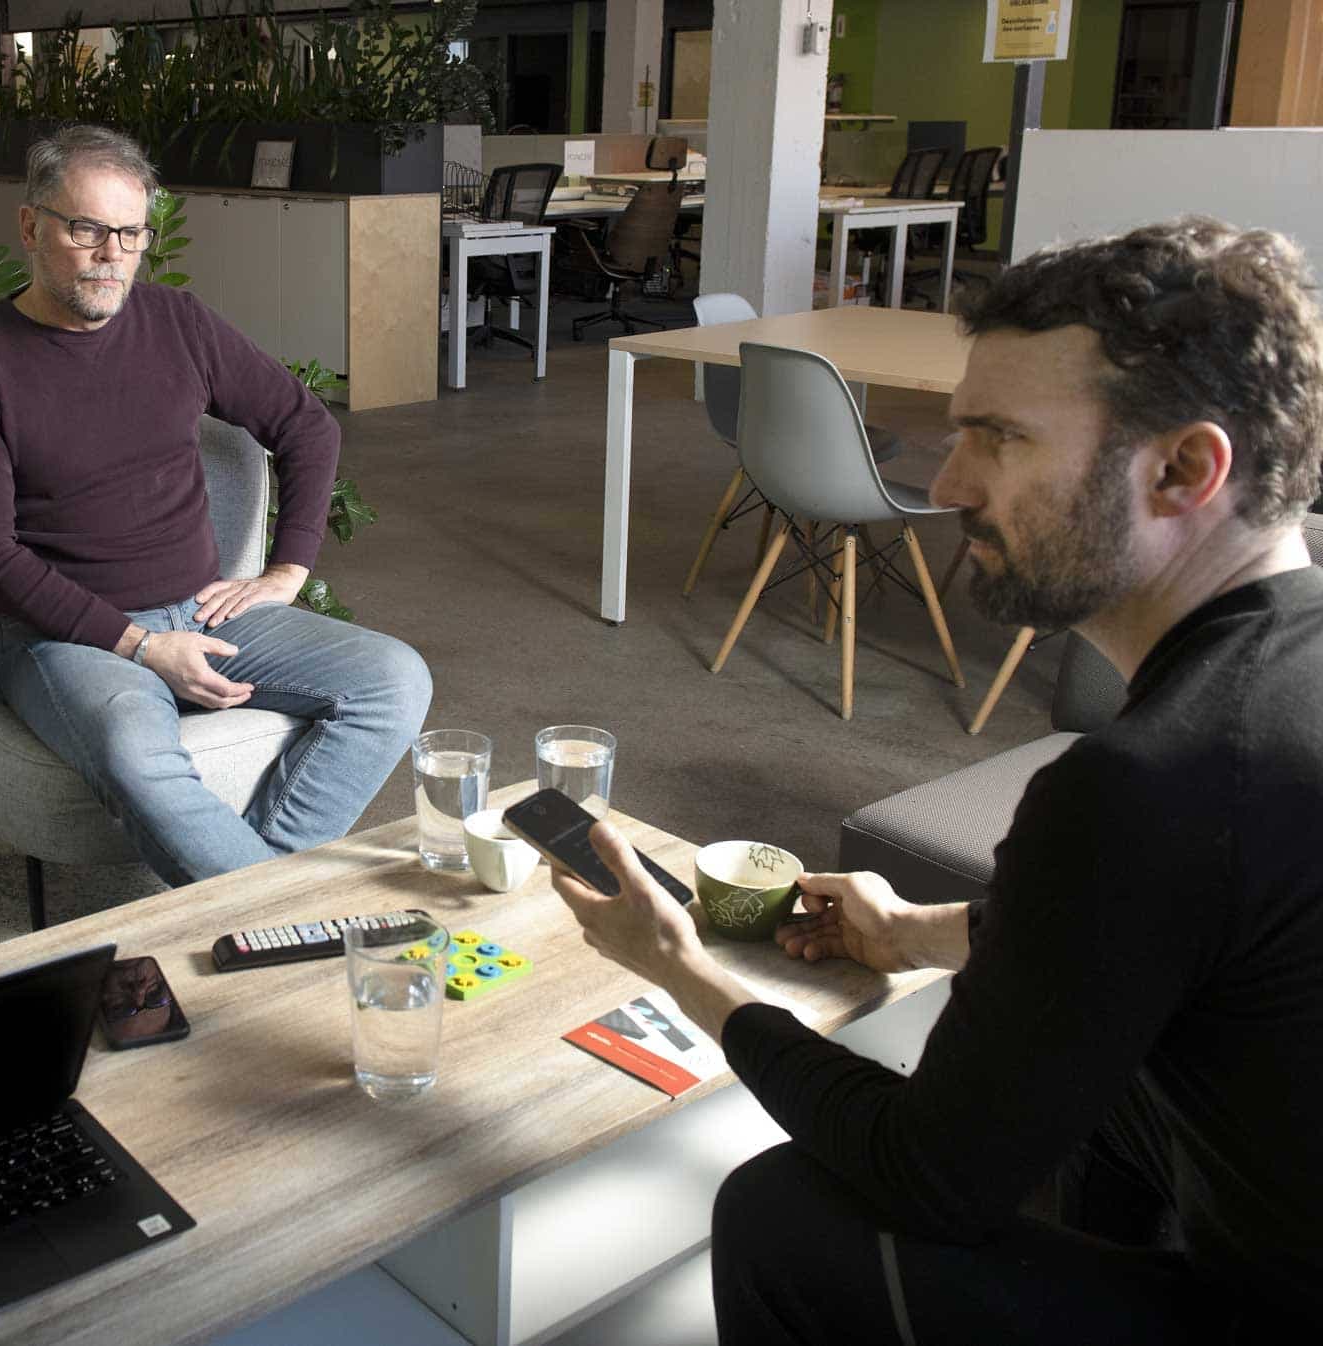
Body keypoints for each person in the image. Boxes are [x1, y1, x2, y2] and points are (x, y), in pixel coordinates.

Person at [555, 217, 1323, 1342]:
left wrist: (680, 969)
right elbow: (1169, 929)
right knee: (1084, 1082)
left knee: (780, 1212)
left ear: (1182, 468)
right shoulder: (1277, 685)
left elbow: (924, 1174)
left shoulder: (1145, 781)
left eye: (999, 438)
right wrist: (914, 929)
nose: (949, 480)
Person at [0, 125, 430, 886]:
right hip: (62, 639)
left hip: (205, 612)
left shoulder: (177, 323)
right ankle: (282, 914)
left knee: (396, 679)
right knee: (133, 744)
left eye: (130, 233)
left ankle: (264, 890)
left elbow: (306, 425)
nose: (112, 254)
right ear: (30, 226)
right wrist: (139, 646)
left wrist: (288, 568)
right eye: (87, 228)